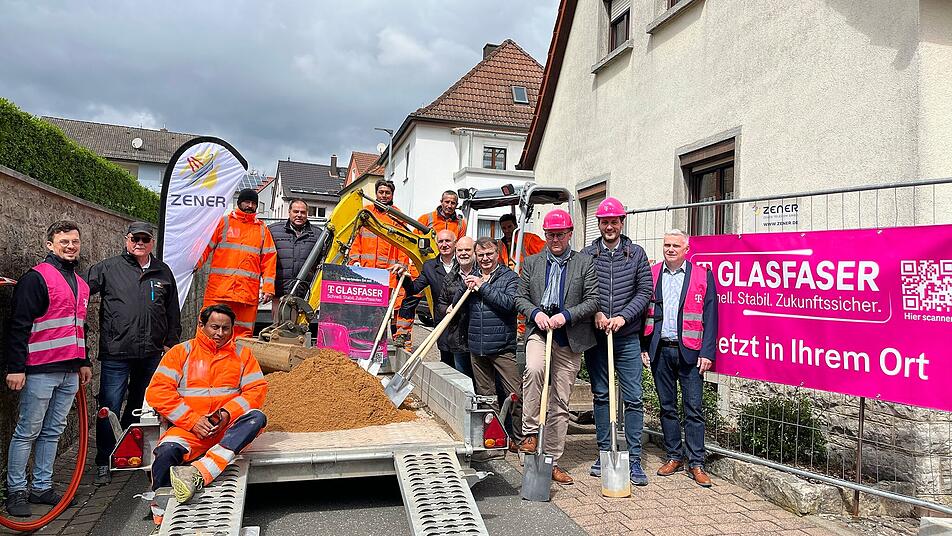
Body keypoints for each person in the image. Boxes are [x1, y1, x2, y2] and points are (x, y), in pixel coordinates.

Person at [145, 304, 267, 528]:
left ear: (232, 329)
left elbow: (257, 390)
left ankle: (198, 472)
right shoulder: (180, 353)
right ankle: (161, 516)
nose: (220, 333)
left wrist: (227, 413)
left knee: (256, 418)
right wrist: (193, 421)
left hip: (226, 429)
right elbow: (157, 392)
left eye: (226, 328)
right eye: (215, 327)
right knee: (165, 454)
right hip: (188, 430)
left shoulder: (242, 355)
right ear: (201, 326)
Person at [4, 221, 93, 517]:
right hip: (39, 370)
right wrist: (16, 368)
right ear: (50, 245)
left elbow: (80, 327)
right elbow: (19, 325)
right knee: (27, 430)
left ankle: (41, 487)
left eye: (75, 241)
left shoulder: (81, 284)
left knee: (53, 430)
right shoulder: (36, 278)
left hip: (70, 371)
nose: (70, 246)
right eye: (64, 241)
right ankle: (16, 490)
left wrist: (84, 361)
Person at [86, 222, 182, 485]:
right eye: (135, 239)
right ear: (126, 240)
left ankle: (129, 452)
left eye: (144, 239)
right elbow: (78, 290)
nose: (139, 243)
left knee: (141, 406)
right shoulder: (108, 268)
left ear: (152, 242)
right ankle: (104, 460)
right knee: (109, 407)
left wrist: (171, 342)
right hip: (116, 352)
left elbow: (172, 311)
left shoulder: (162, 271)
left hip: (150, 353)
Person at [515, 209, 598, 485]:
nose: (555, 240)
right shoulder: (532, 263)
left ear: (570, 234)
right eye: (550, 235)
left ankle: (551, 460)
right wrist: (535, 313)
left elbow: (593, 300)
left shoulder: (584, 263)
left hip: (569, 337)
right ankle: (530, 433)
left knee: (560, 400)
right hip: (540, 331)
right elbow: (520, 297)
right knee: (534, 369)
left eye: (560, 234)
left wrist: (567, 315)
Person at [580, 198, 653, 486]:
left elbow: (644, 290)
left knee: (633, 398)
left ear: (622, 223)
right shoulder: (588, 255)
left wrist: (623, 317)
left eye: (614, 221)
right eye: (604, 222)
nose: (609, 226)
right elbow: (583, 290)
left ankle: (634, 459)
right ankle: (604, 451)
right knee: (602, 395)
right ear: (598, 224)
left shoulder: (636, 254)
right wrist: (596, 312)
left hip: (627, 337)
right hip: (597, 338)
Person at [641, 229, 718, 487]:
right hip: (660, 350)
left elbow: (711, 317)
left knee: (693, 409)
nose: (670, 249)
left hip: (691, 352)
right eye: (667, 245)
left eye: (676, 245)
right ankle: (674, 456)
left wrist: (707, 352)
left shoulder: (703, 275)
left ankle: (696, 462)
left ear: (687, 249)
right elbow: (644, 313)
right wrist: (643, 346)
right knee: (667, 407)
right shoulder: (652, 274)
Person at [455, 237, 522, 452]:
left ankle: (520, 439)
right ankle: (494, 438)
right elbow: (456, 305)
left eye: (489, 254)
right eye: (481, 255)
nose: (485, 258)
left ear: (497, 254)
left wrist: (482, 286)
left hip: (502, 347)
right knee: (487, 398)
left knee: (515, 394)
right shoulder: (473, 276)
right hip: (477, 347)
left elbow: (509, 304)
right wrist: (464, 286)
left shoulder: (510, 277)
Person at [196, 188, 277, 339]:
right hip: (220, 290)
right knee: (209, 331)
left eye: (253, 203)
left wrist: (268, 288)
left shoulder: (262, 230)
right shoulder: (224, 223)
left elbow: (269, 260)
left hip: (246, 294)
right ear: (239, 203)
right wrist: (193, 265)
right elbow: (204, 247)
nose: (250, 206)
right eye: (247, 202)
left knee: (242, 336)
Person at [349, 179, 414, 347]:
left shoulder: (397, 216)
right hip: (367, 273)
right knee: (367, 311)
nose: (384, 195)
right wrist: (355, 260)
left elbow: (404, 244)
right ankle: (367, 343)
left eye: (387, 193)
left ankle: (387, 344)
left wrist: (402, 266)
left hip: (389, 274)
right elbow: (356, 239)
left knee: (388, 310)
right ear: (376, 193)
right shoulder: (366, 213)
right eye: (381, 192)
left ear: (392, 195)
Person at [397, 230, 457, 368]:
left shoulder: (463, 263)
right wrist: (404, 277)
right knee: (446, 361)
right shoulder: (430, 266)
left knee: (463, 363)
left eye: (448, 241)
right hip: (442, 320)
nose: (444, 244)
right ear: (436, 244)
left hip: (462, 321)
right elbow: (414, 288)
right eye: (440, 241)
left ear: (455, 243)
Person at [268, 198, 320, 310]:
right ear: (289, 212)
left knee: (303, 322)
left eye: (303, 212)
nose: (299, 215)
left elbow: (321, 263)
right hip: (280, 292)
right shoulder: (273, 231)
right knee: (279, 321)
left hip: (305, 294)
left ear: (307, 214)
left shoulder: (318, 234)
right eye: (296, 211)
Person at [437, 236, 477, 377]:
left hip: (477, 339)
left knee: (481, 382)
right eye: (460, 250)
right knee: (462, 380)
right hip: (458, 338)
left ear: (474, 252)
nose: (463, 253)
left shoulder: (482, 275)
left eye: (467, 250)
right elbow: (441, 303)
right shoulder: (450, 277)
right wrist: (446, 309)